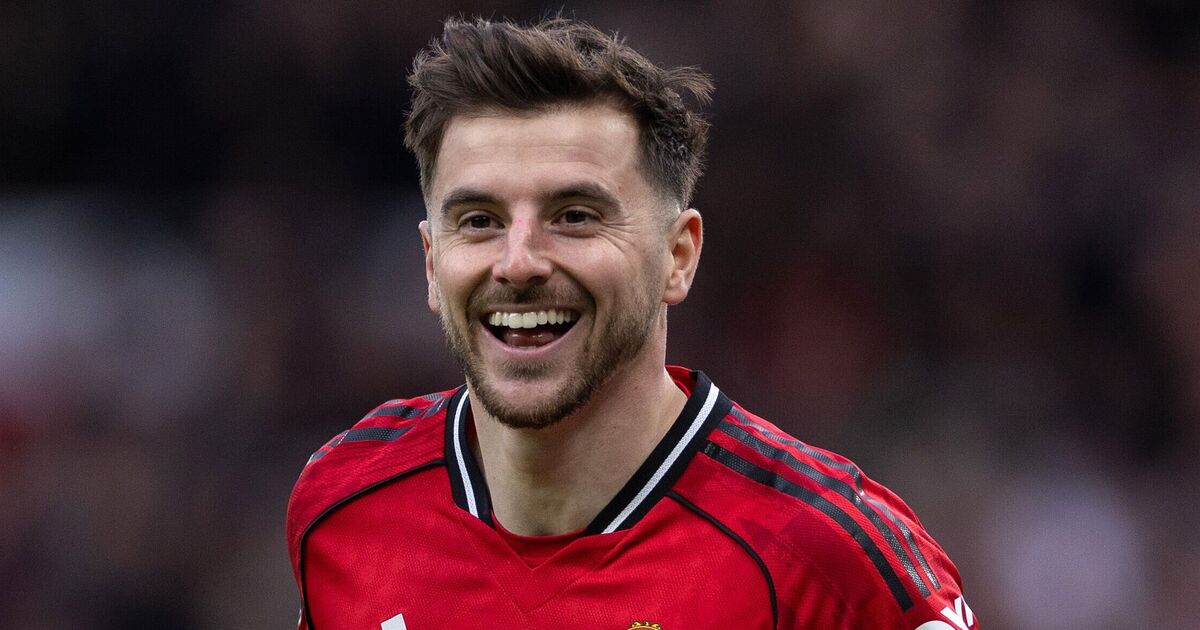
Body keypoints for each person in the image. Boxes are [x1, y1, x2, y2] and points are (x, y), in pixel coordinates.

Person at [286, 16, 978, 630]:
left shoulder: (828, 562)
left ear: (678, 257)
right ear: (432, 262)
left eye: (575, 216)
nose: (518, 262)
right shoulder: (343, 505)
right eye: (478, 221)